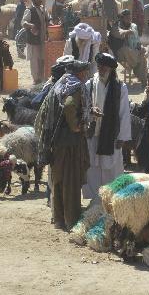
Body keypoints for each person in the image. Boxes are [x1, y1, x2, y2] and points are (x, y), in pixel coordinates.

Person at [43, 59, 91, 230]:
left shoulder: (60, 84)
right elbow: (70, 105)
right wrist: (76, 126)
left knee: (58, 179)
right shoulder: (76, 86)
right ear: (79, 73)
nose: (86, 75)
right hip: (70, 142)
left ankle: (59, 219)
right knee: (71, 180)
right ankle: (72, 219)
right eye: (84, 72)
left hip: (56, 141)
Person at [82, 53, 131, 200]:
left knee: (112, 167)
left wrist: (122, 137)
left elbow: (124, 114)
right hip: (93, 133)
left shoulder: (120, 88)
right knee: (93, 167)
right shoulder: (89, 85)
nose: (101, 69)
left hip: (111, 135)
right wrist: (91, 112)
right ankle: (95, 200)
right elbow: (83, 107)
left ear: (111, 69)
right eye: (99, 66)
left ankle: (113, 198)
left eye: (104, 67)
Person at [109, 9, 147, 83]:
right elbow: (119, 33)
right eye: (127, 18)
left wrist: (140, 47)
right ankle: (135, 62)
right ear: (122, 18)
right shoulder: (116, 26)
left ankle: (143, 79)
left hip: (131, 52)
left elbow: (137, 40)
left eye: (130, 18)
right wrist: (126, 32)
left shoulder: (132, 26)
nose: (129, 20)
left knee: (142, 56)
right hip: (119, 52)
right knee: (127, 50)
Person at [22, 0, 48, 84]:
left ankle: (41, 78)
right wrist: (31, 25)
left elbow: (47, 21)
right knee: (34, 60)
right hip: (33, 40)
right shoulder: (29, 10)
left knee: (42, 59)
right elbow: (24, 23)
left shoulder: (42, 9)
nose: (40, 0)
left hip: (42, 39)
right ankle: (35, 79)